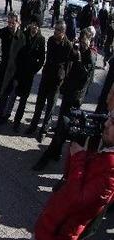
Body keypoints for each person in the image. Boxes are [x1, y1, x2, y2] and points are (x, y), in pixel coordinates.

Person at [34, 112, 114, 240]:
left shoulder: (111, 166)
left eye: (113, 122)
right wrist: (78, 146)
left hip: (58, 232)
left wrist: (78, 157)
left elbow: (76, 201)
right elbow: (68, 177)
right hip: (52, 223)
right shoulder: (106, 153)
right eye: (109, 118)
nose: (106, 124)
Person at [34, 28, 95, 171]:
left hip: (75, 98)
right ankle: (56, 152)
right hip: (68, 93)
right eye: (81, 41)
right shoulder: (79, 51)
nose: (82, 44)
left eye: (84, 41)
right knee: (62, 126)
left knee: (64, 127)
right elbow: (69, 66)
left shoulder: (90, 56)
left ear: (89, 41)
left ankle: (50, 154)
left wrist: (79, 59)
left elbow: (84, 78)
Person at [26, 21, 75, 141]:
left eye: (58, 30)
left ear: (63, 32)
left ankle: (43, 130)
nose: (55, 32)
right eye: (55, 29)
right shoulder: (51, 41)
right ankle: (33, 126)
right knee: (39, 104)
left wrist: (63, 78)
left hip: (57, 81)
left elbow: (69, 66)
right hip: (46, 77)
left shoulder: (68, 46)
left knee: (50, 107)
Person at [1, 20, 46, 132]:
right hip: (19, 71)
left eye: (36, 25)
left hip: (29, 74)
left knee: (23, 100)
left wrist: (35, 69)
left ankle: (17, 121)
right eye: (33, 24)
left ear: (39, 27)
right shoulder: (24, 35)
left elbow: (41, 59)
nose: (34, 27)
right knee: (12, 95)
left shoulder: (41, 39)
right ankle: (6, 115)